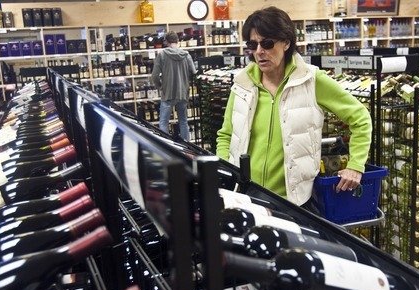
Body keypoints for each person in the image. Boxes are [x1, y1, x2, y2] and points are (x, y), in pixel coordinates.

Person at [216, 6, 372, 208]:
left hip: (294, 201)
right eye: (253, 45)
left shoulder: (312, 81)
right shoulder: (243, 84)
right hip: (247, 196)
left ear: (286, 43)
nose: (259, 51)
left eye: (267, 43)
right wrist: (224, 172)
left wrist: (356, 166)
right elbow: (226, 135)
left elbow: (360, 118)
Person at [151, 31, 197, 141]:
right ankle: (187, 146)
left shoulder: (161, 55)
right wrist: (186, 83)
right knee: (183, 121)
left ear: (166, 42)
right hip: (182, 93)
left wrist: (160, 86)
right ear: (177, 41)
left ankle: (166, 146)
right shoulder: (187, 55)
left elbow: (155, 75)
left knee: (164, 122)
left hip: (168, 93)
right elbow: (194, 73)